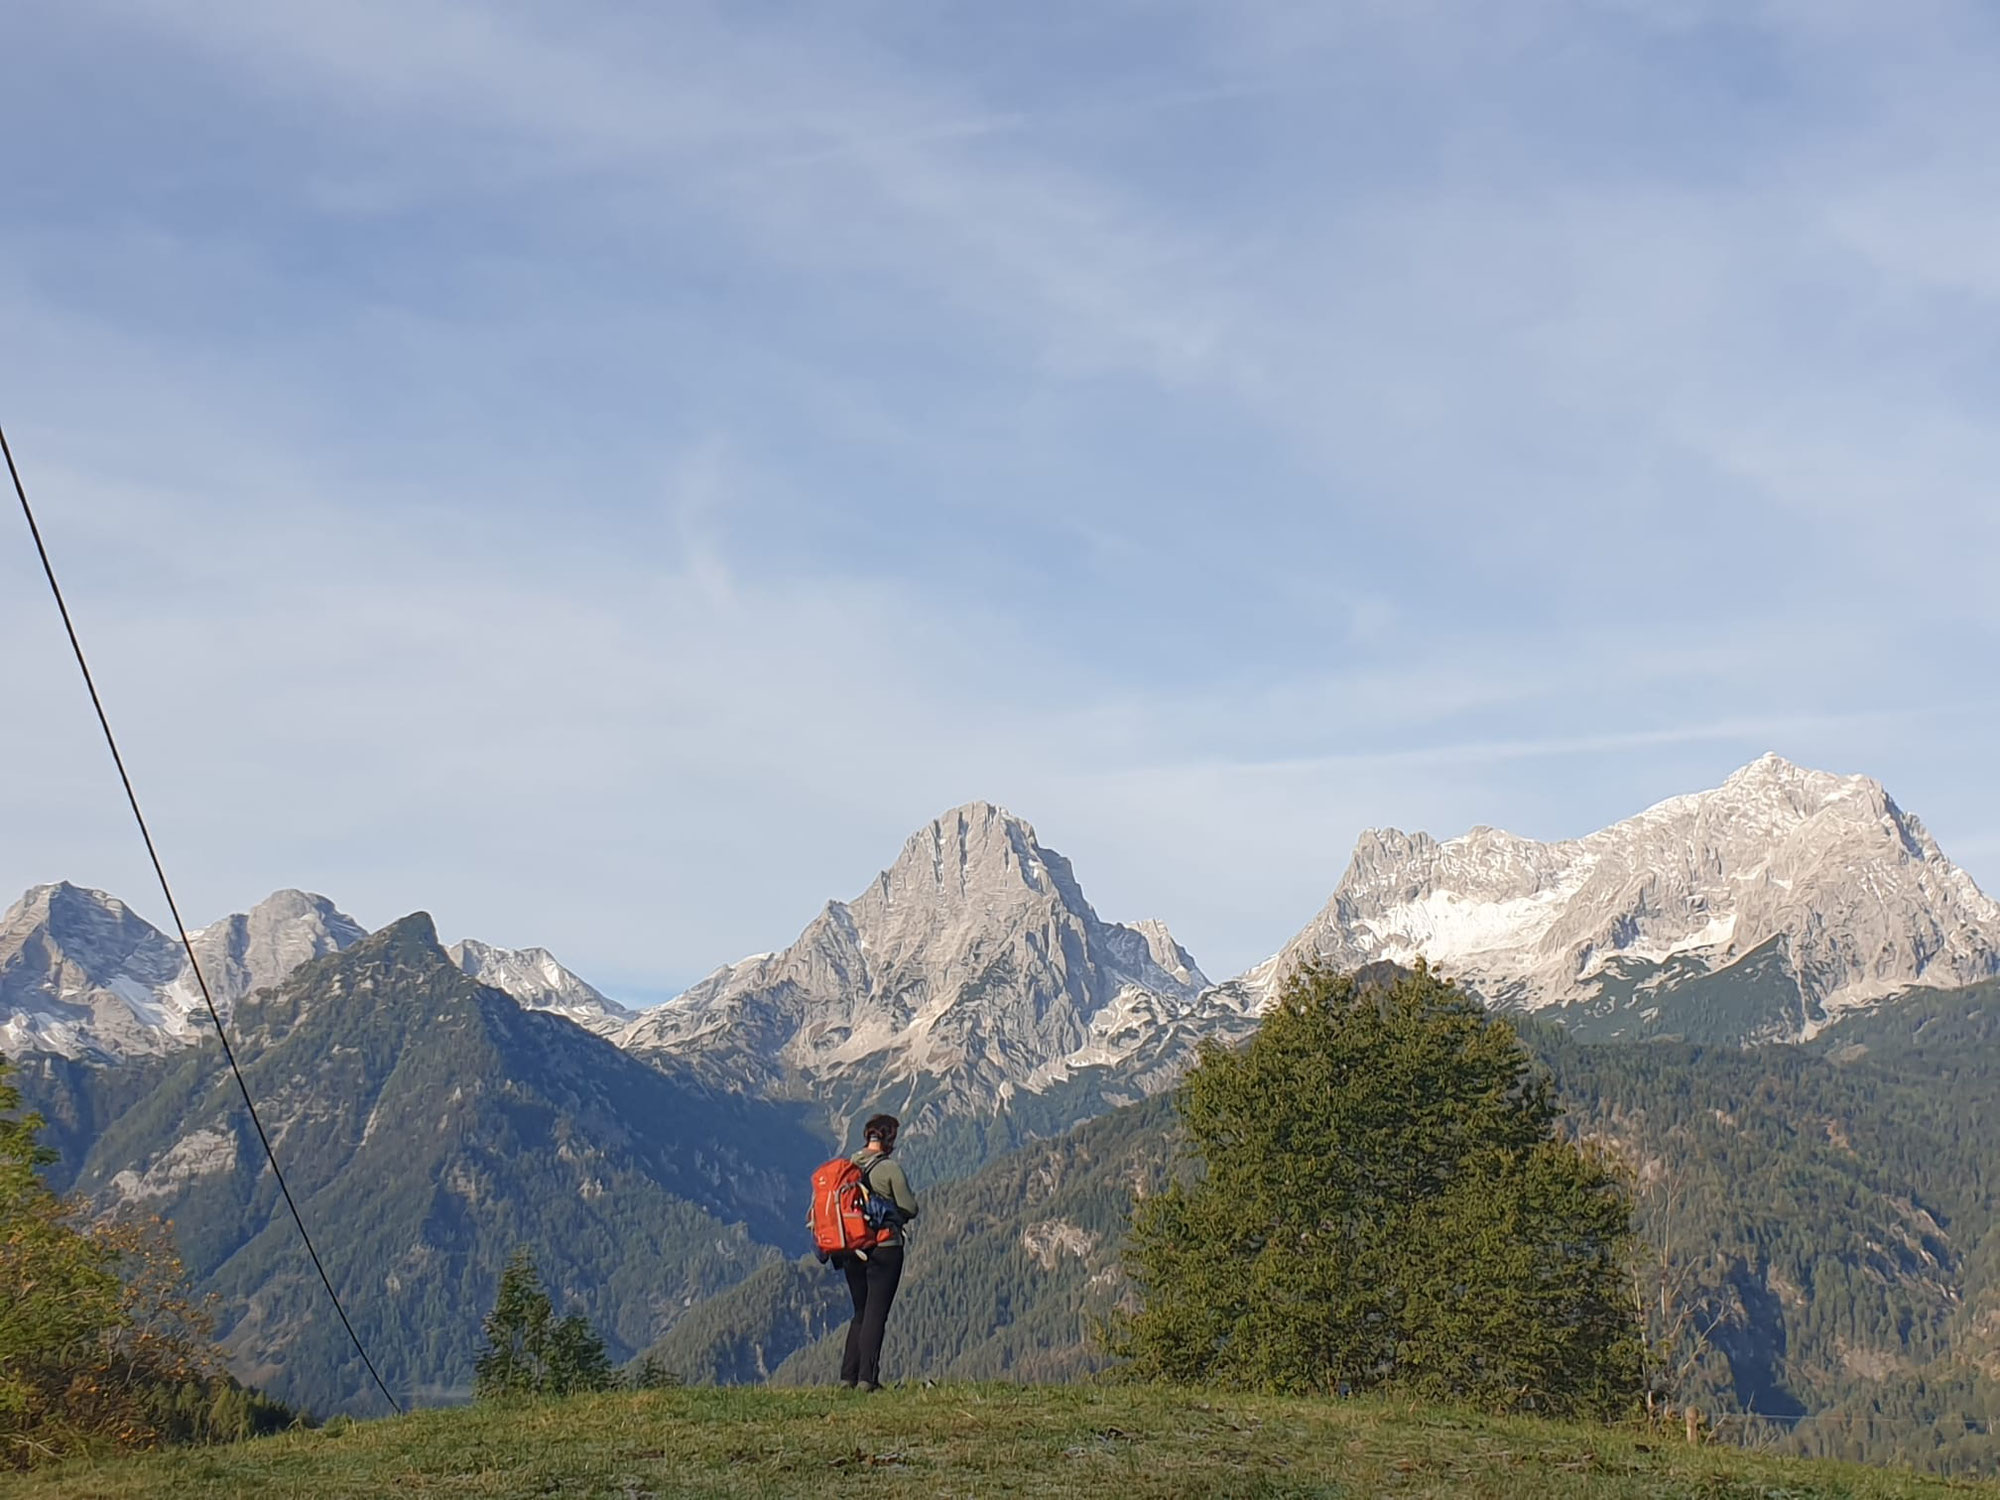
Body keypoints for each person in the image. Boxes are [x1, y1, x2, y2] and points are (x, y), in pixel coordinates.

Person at [839, 1113, 918, 1392]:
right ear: (889, 1138)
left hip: (852, 1250)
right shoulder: (890, 1170)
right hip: (884, 1249)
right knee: (876, 1314)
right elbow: (910, 1207)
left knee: (860, 1311)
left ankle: (848, 1377)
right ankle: (867, 1380)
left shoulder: (848, 1165)